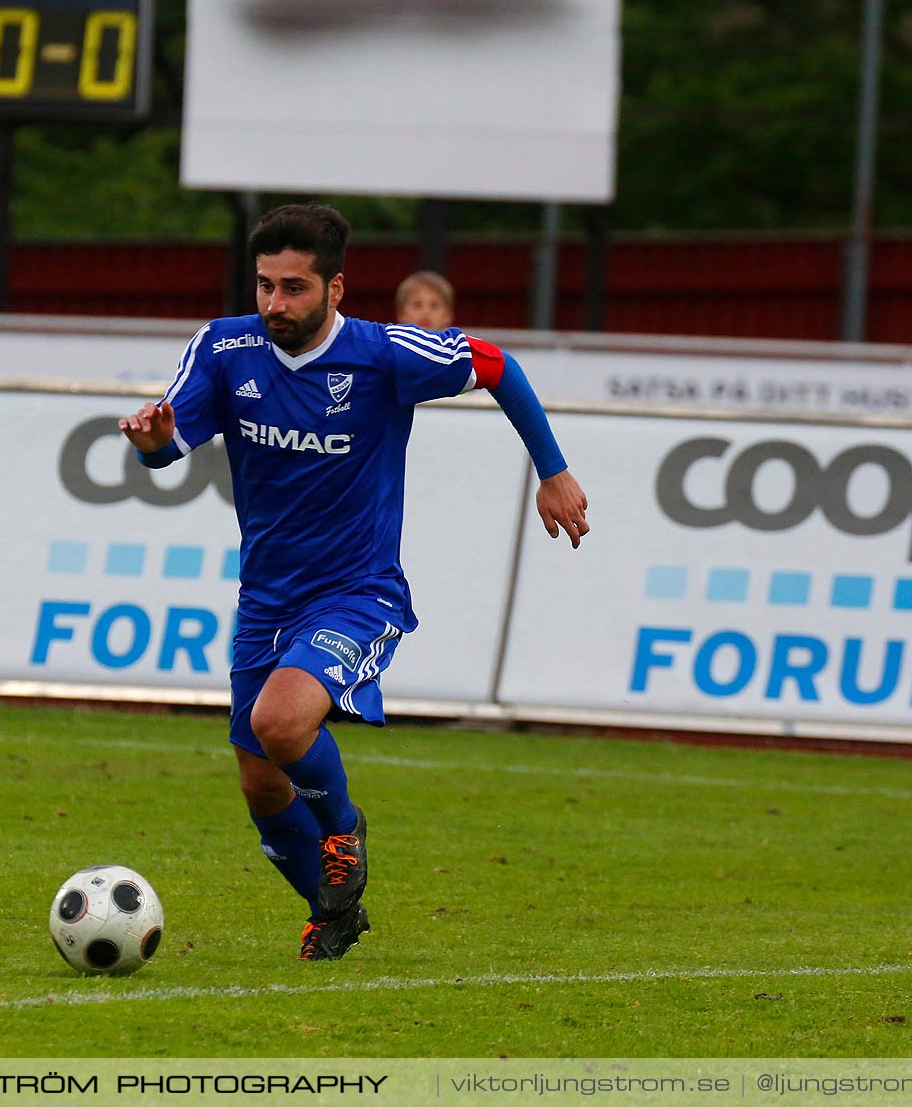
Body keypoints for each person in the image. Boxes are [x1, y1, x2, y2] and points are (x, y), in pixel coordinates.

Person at [120, 204, 587, 961]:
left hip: (358, 590)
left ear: (336, 289)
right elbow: (171, 443)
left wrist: (553, 470)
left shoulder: (384, 354)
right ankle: (331, 911)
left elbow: (496, 363)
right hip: (266, 596)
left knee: (280, 723)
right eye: (266, 285)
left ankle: (342, 830)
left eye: (295, 288)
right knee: (258, 779)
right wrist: (151, 442)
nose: (276, 304)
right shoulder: (225, 346)